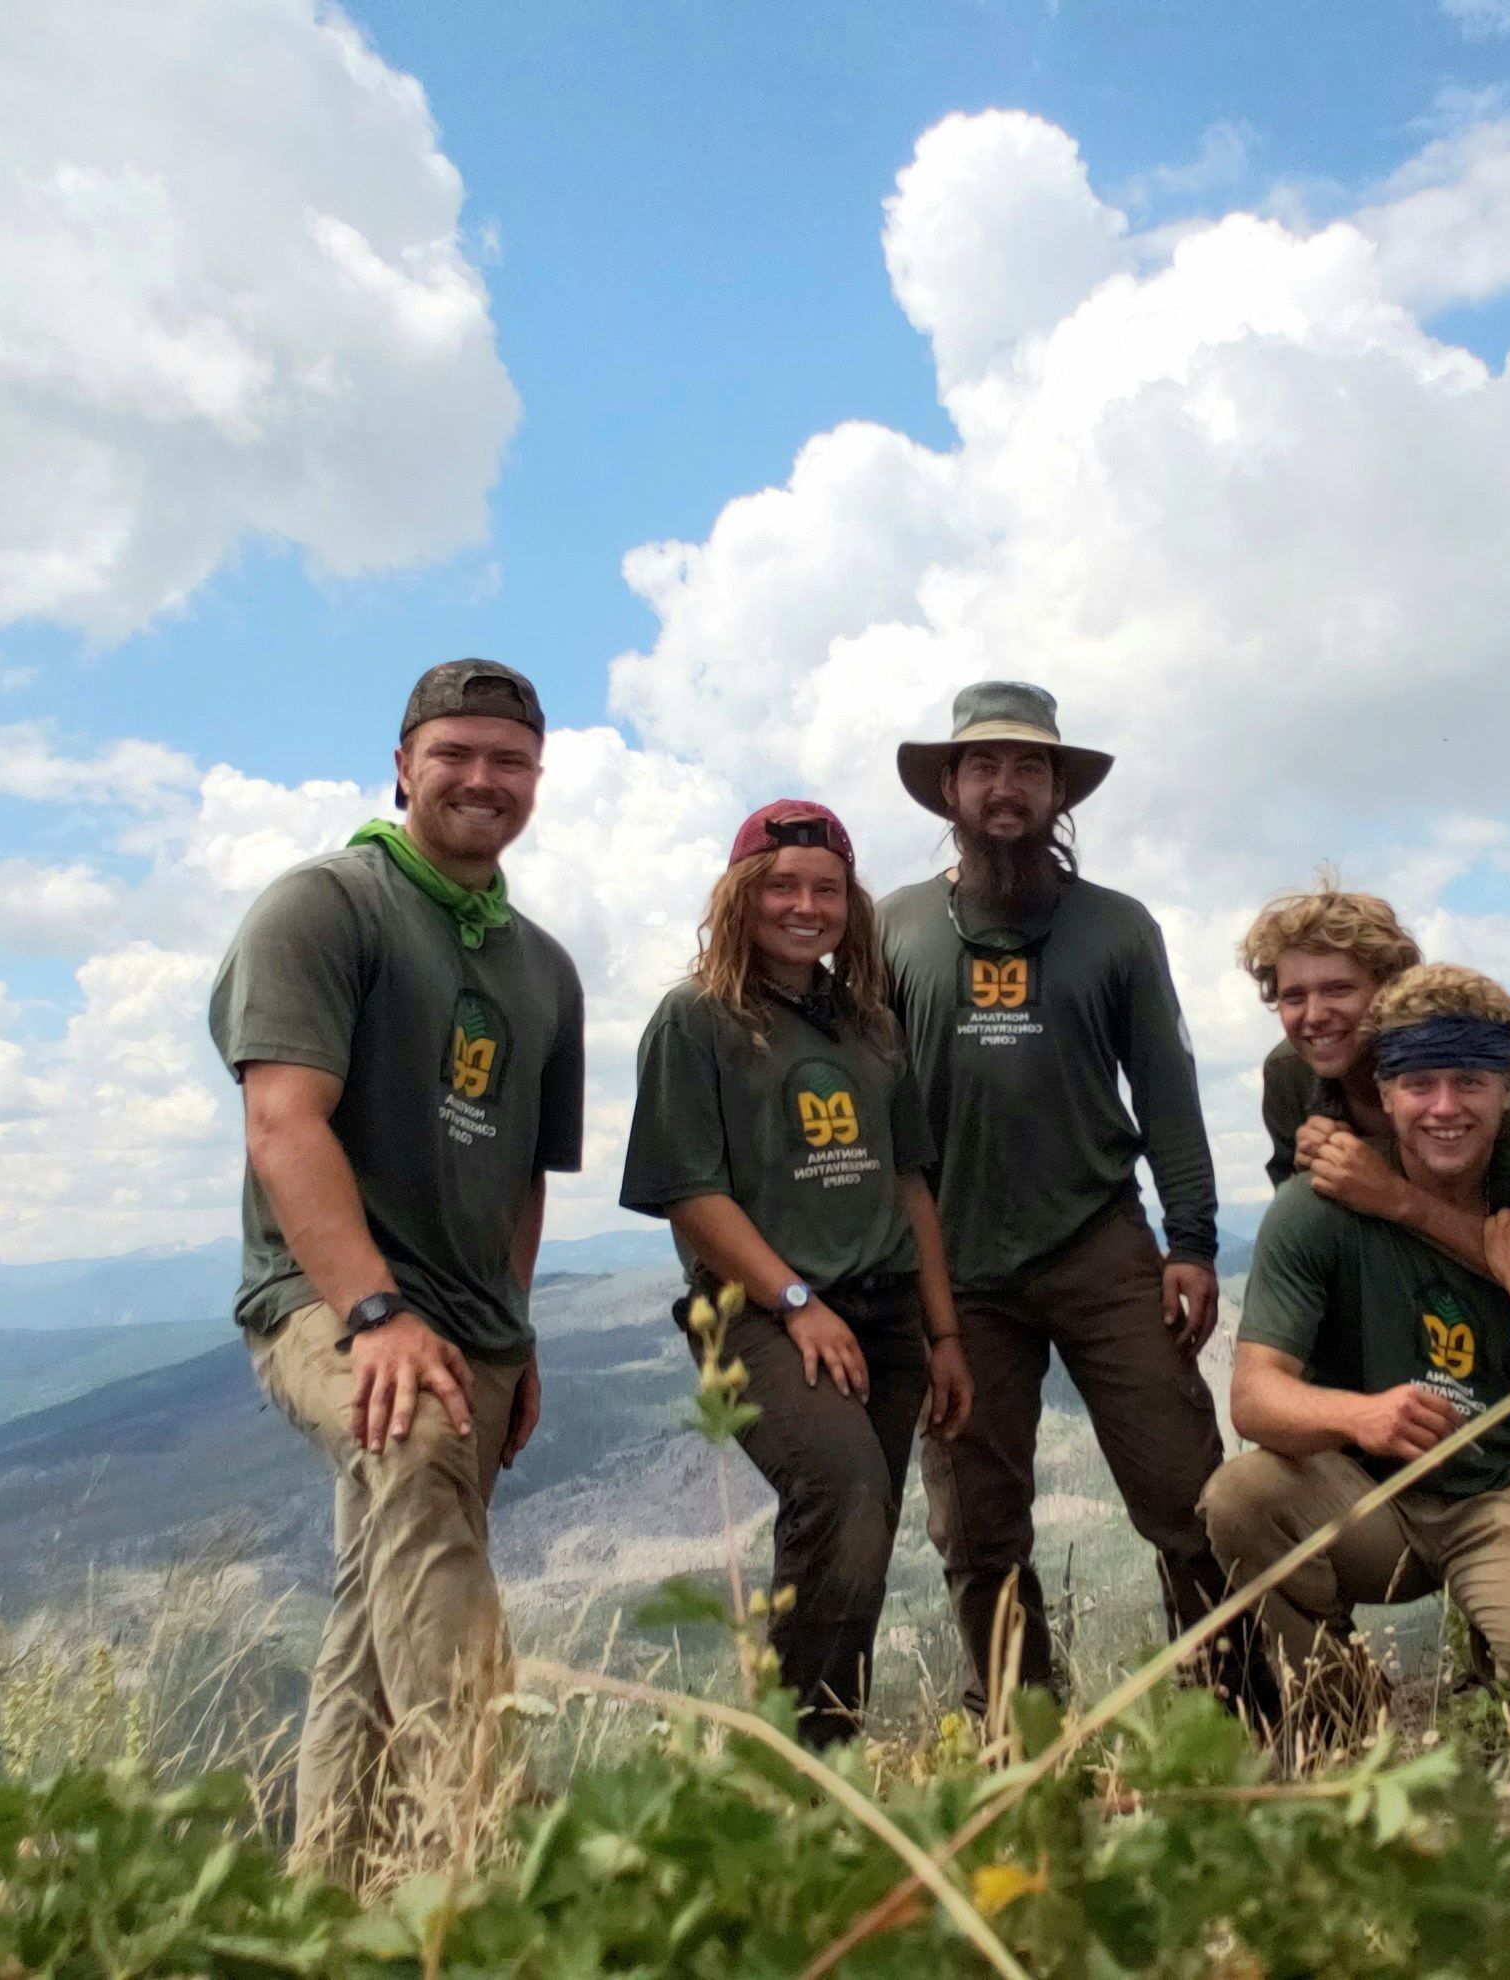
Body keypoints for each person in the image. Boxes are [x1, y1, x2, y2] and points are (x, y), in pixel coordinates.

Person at [208, 659, 585, 1883]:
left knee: (376, 1599)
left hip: (474, 1327)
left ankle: (331, 1896)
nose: (484, 779)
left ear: (538, 777)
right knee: (413, 1446)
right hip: (330, 1303)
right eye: (456, 754)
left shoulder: (543, 969)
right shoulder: (325, 907)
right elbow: (283, 1125)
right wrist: (373, 1314)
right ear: (402, 764)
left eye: (509, 760)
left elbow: (525, 1172)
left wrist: (513, 1337)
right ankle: (481, 1859)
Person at [880, 681, 1241, 1712]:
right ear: (949, 787)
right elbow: (871, 1103)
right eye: (984, 768)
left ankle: (1241, 1718)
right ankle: (1021, 1747)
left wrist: (1196, 1241)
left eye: (1029, 768)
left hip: (1100, 1243)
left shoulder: (1117, 930)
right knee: (977, 1528)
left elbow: (1167, 1090)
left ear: (1057, 790)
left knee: (1189, 1494)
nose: (1006, 788)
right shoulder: (893, 928)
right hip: (953, 1269)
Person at [620, 800, 975, 1746]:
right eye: (781, 886)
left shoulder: (868, 1025)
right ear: (741, 896)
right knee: (843, 1490)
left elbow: (911, 1187)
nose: (804, 905)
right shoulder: (695, 1019)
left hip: (886, 1314)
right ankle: (797, 1762)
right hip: (759, 1312)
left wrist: (943, 1336)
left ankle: (823, 1760)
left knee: (859, 1538)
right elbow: (689, 1193)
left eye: (825, 889)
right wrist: (797, 1302)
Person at [1203, 964, 1510, 1732]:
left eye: (1468, 1082)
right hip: (1370, 1502)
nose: (1443, 1108)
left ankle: (1508, 1657)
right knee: (1241, 1497)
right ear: (1387, 1092)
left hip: (1502, 1493)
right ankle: (1339, 1714)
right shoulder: (1314, 1210)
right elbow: (1254, 1396)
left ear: (1506, 1091)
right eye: (1419, 1084)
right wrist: (1361, 1416)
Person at [1241, 880, 1510, 1532]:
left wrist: (1394, 1199)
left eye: (1338, 990)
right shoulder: (1289, 1077)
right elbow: (1304, 1225)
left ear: (1385, 992)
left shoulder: (1500, 1083)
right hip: (1398, 1257)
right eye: (1293, 996)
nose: (1315, 1014)